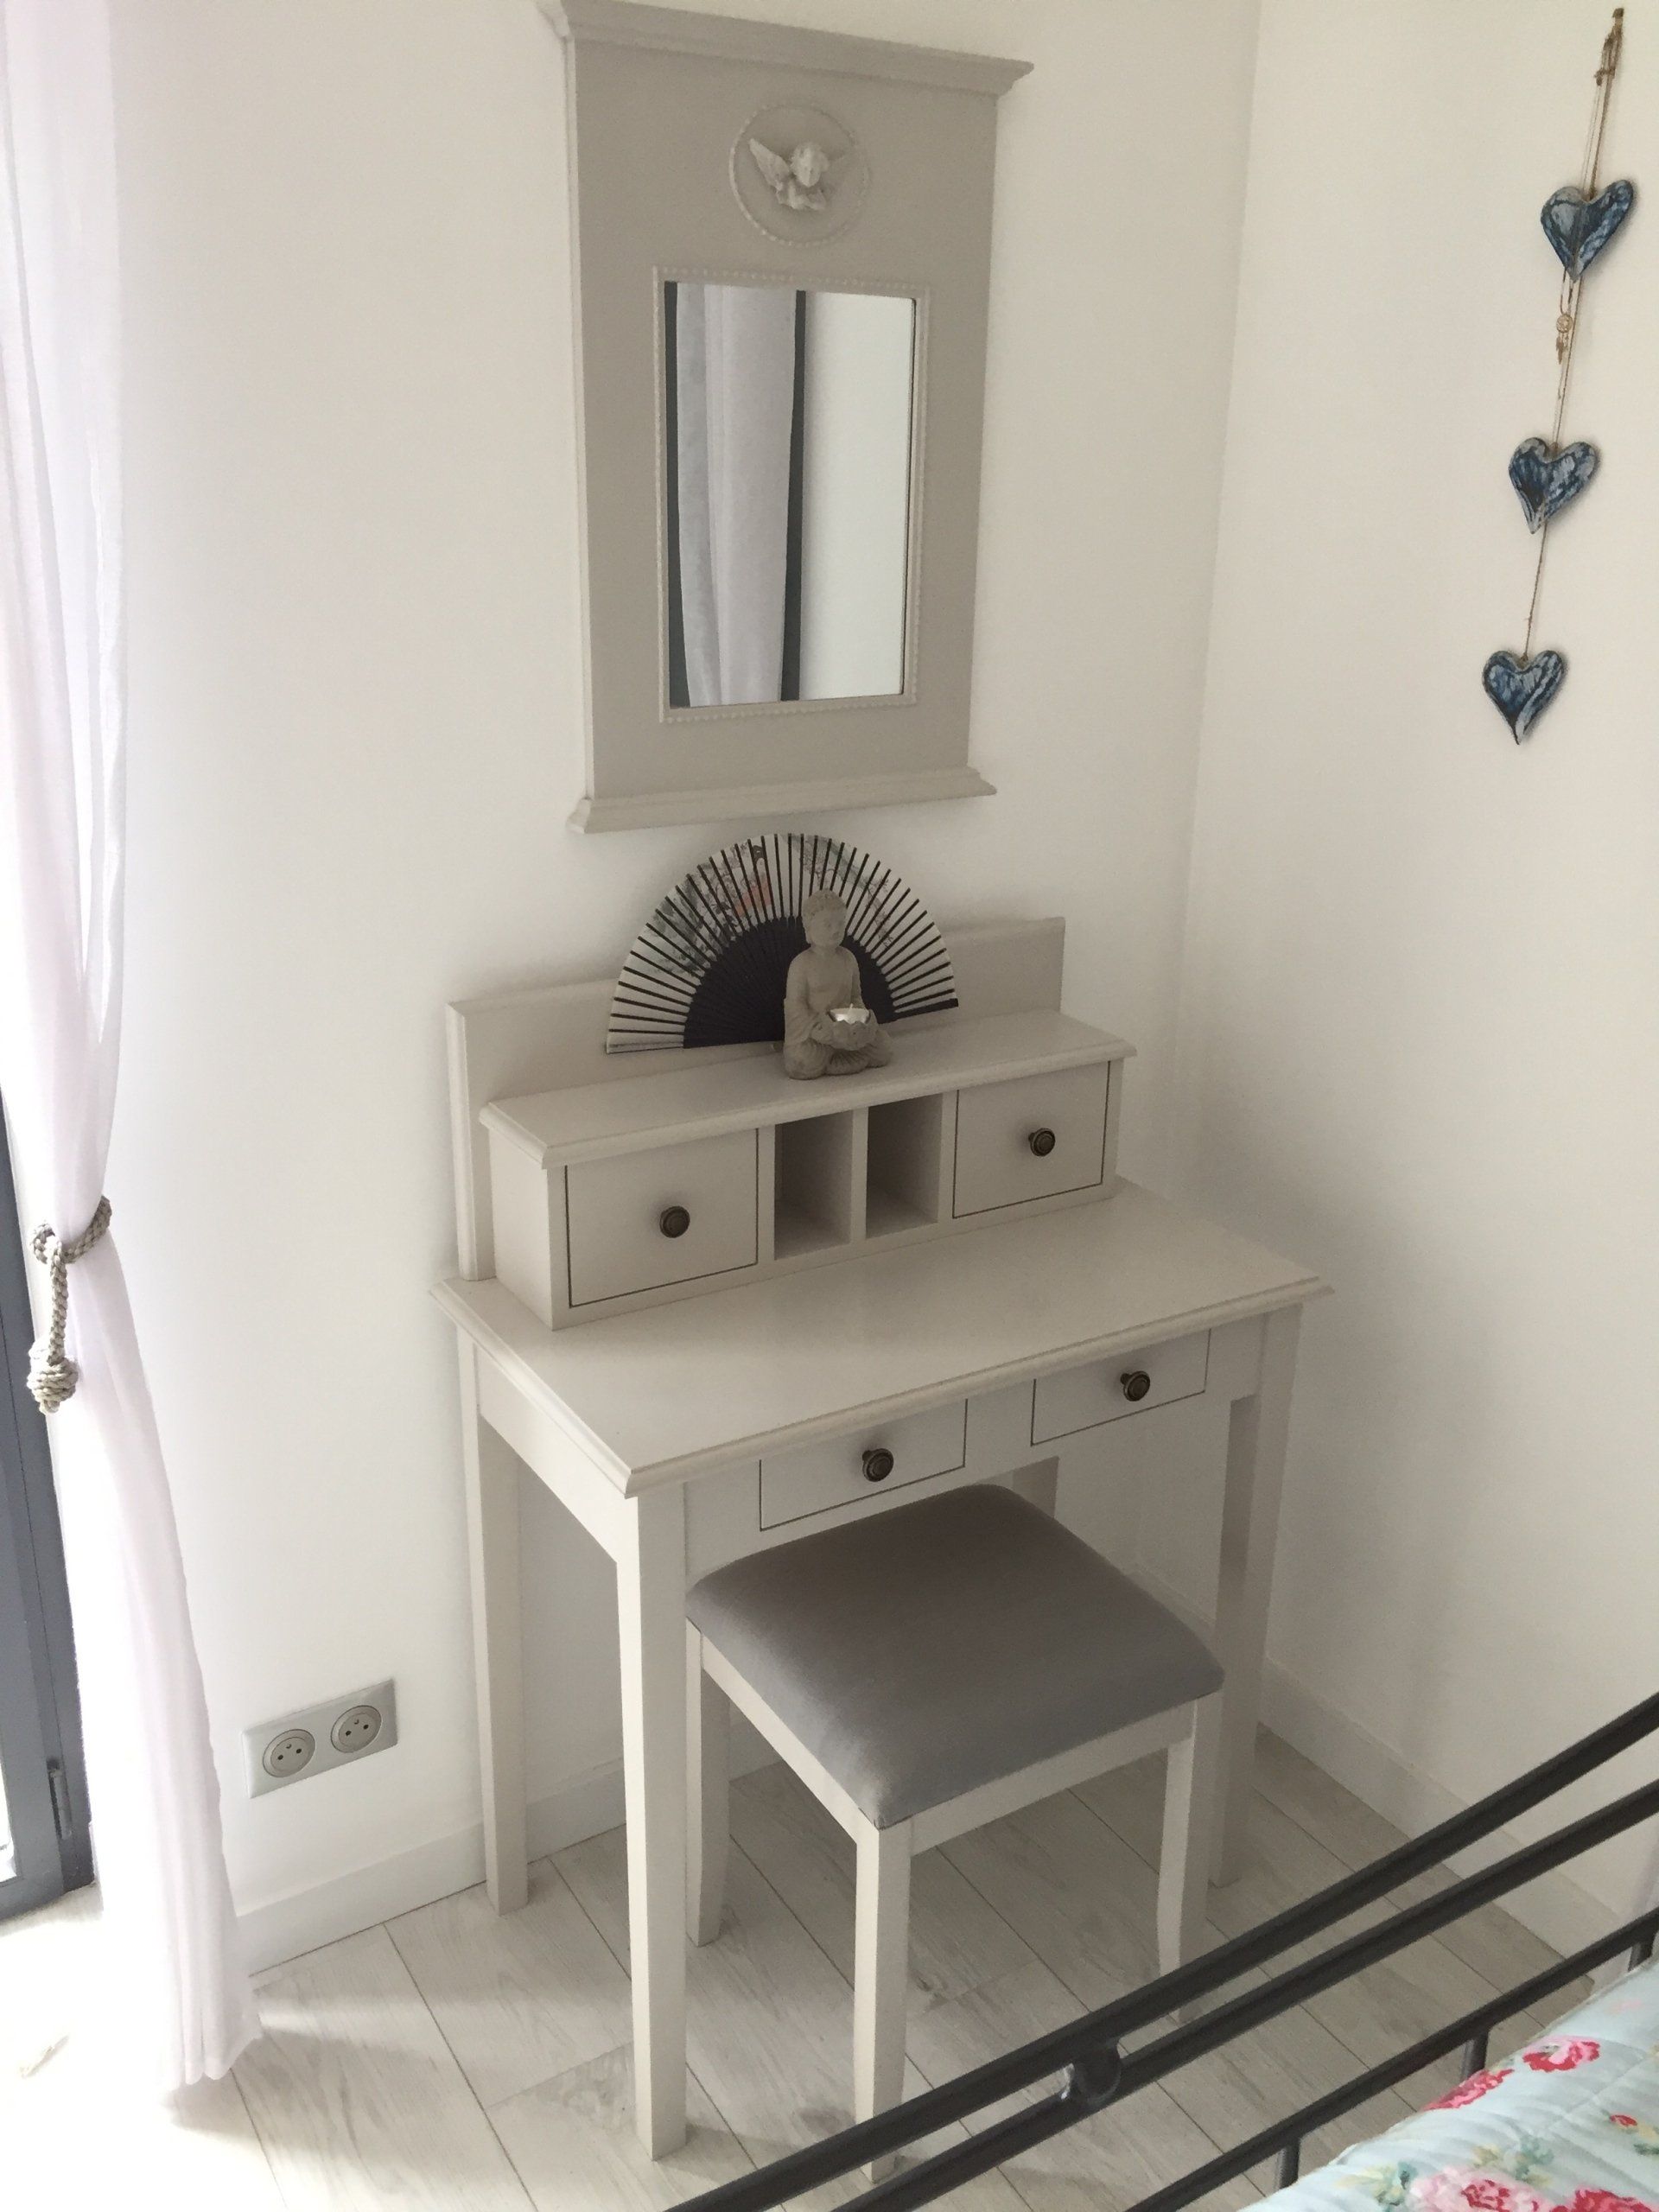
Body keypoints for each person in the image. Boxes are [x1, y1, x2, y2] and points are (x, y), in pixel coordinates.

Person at [781, 887, 893, 1078]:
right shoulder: (801, 965)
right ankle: (836, 1054)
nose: (836, 930)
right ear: (808, 928)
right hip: (818, 1035)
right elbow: (795, 1008)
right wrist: (819, 1030)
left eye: (841, 923)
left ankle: (844, 1052)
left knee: (883, 1046)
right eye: (827, 924)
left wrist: (860, 1024)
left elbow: (855, 997)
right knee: (800, 1062)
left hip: (846, 1031)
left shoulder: (848, 959)